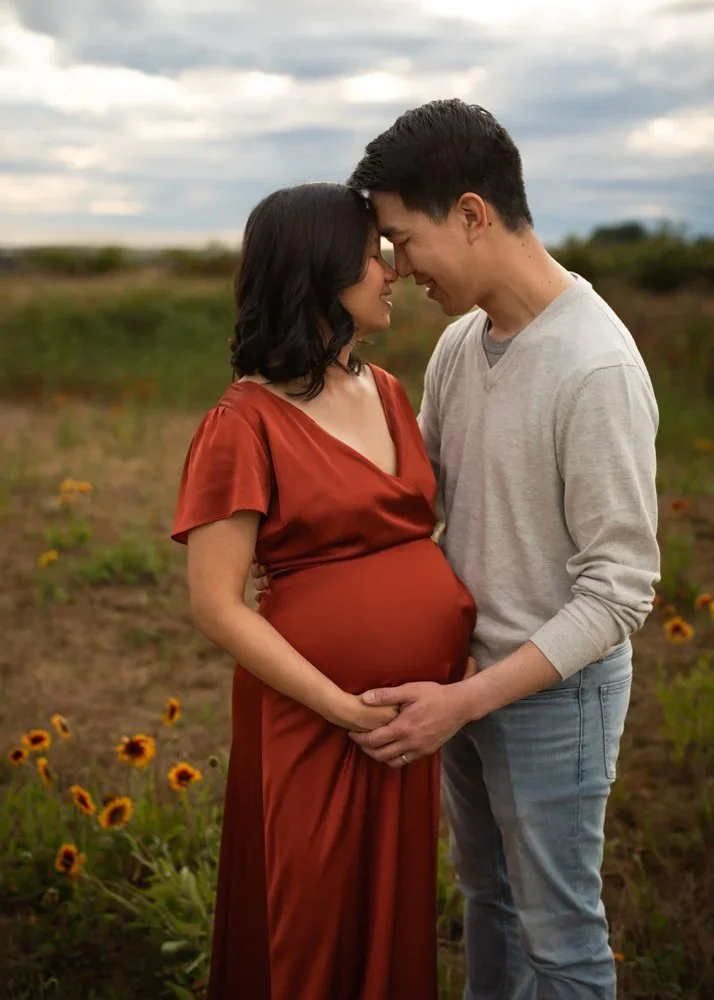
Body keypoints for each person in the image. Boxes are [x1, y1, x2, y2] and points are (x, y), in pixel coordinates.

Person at [337, 99, 660, 1000]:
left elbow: (620, 592)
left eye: (404, 240)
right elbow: (414, 503)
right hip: (463, 686)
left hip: (553, 698)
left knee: (563, 945)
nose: (399, 267)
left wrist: (464, 701)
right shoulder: (457, 345)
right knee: (489, 902)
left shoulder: (593, 365)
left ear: (473, 214)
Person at [171, 182, 476, 1000]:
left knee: (389, 910)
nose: (393, 272)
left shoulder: (389, 393)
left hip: (405, 718)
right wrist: (343, 707)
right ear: (319, 270)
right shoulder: (244, 422)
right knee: (305, 920)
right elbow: (216, 603)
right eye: (373, 255)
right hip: (315, 718)